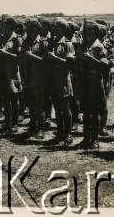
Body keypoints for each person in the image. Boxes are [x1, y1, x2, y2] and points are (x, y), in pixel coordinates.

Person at [79, 21, 110, 149]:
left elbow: (105, 65)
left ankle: (95, 139)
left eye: (91, 31)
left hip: (96, 81)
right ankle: (87, 137)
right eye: (86, 31)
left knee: (95, 112)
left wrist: (90, 58)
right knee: (86, 112)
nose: (88, 34)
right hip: (85, 80)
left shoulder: (99, 46)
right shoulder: (84, 45)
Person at [48, 17, 75, 146]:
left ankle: (68, 134)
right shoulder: (52, 43)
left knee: (65, 107)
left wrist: (54, 57)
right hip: (53, 79)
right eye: (53, 28)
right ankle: (60, 132)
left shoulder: (67, 44)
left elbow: (69, 63)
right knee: (57, 108)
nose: (54, 30)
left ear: (63, 29)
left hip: (63, 80)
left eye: (57, 28)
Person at [22, 18, 48, 139]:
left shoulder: (43, 42)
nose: (29, 31)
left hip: (41, 78)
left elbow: (46, 61)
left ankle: (41, 129)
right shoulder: (26, 42)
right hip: (29, 77)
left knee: (40, 105)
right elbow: (21, 60)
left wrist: (31, 56)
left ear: (37, 29)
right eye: (28, 29)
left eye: (31, 29)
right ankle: (33, 126)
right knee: (31, 104)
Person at [0, 17, 22, 137]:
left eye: (6, 26)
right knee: (5, 100)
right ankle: (7, 123)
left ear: (11, 27)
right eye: (3, 26)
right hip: (2, 71)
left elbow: (19, 57)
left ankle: (15, 124)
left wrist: (5, 53)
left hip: (12, 73)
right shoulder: (1, 38)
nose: (3, 28)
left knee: (14, 99)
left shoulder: (17, 39)